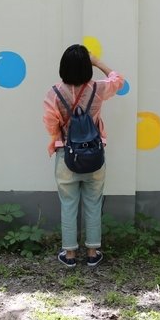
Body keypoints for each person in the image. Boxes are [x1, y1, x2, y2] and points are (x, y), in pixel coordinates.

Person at [43, 45, 124, 268]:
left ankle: (69, 255)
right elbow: (119, 80)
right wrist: (98, 62)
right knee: (93, 203)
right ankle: (92, 252)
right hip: (94, 156)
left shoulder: (54, 93)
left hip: (66, 157)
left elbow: (50, 123)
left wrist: (58, 139)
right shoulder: (97, 89)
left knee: (68, 204)